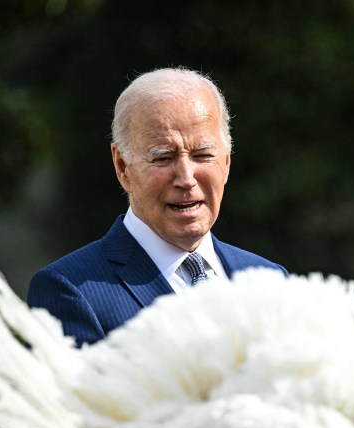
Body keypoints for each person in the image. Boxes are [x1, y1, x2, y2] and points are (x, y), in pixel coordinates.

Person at [27, 67, 287, 346]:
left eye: (202, 155)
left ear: (226, 161)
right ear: (122, 166)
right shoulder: (70, 289)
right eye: (164, 157)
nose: (186, 178)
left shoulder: (270, 281)